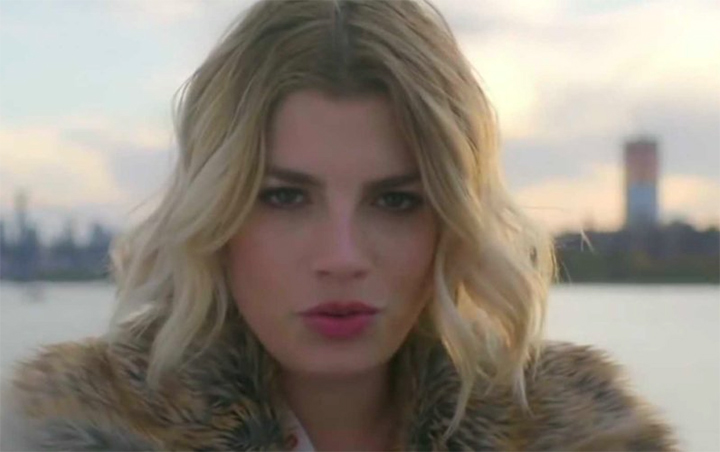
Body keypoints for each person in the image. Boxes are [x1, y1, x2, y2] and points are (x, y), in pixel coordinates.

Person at [1, 0, 677, 450]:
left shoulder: (581, 438)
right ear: (215, 212)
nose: (342, 256)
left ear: (454, 220)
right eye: (284, 198)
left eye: (396, 201)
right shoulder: (67, 431)